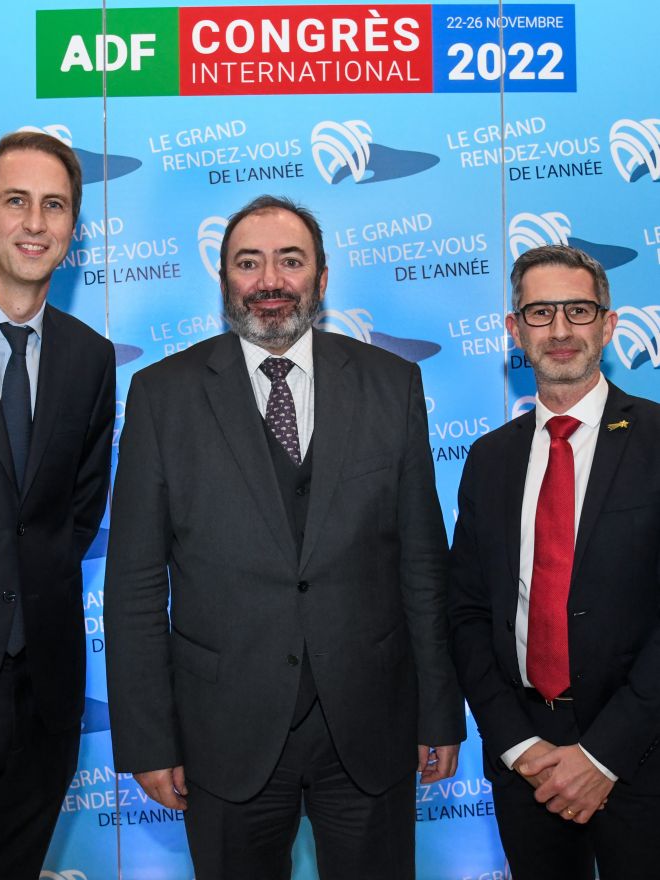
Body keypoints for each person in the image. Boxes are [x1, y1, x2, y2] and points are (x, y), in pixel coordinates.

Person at [105, 194, 465, 879]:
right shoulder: (161, 395)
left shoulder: (392, 384)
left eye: (290, 261)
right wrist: (149, 740)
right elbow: (135, 585)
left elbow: (422, 563)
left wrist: (439, 712)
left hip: (369, 727)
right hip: (223, 733)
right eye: (249, 263)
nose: (270, 280)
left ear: (321, 278)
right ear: (223, 280)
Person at [448, 244, 660, 880]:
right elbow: (466, 613)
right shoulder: (489, 459)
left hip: (643, 753)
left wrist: (603, 756)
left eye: (578, 310)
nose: (561, 329)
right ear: (514, 330)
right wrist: (516, 743)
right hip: (527, 762)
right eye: (540, 313)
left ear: (609, 324)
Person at [0, 131, 115, 879]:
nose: (34, 223)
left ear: (72, 229)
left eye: (54, 206)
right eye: (16, 201)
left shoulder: (90, 357)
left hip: (44, 696)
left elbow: (73, 516)